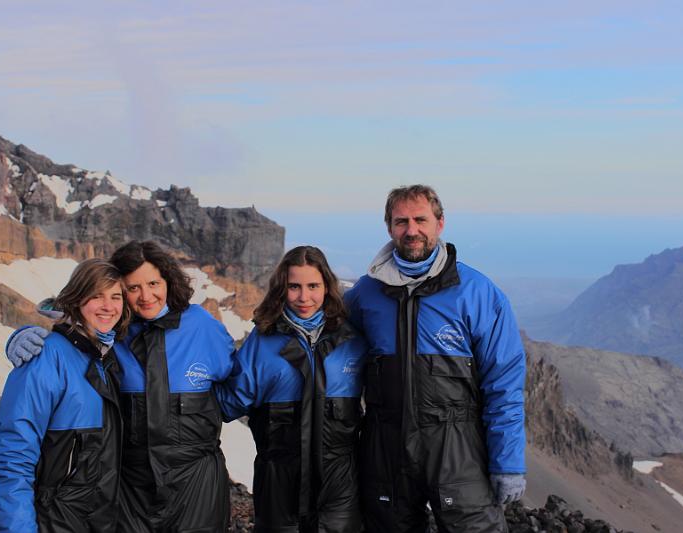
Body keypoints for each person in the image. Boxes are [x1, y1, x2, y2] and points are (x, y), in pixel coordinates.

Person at [5, 240, 236, 532]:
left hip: (197, 489)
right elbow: (72, 324)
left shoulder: (203, 327)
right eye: (133, 288)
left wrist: (200, 417)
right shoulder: (115, 330)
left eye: (154, 283)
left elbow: (236, 388)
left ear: (169, 280)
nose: (146, 296)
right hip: (131, 493)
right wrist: (23, 336)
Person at [344, 185, 526, 532]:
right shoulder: (366, 295)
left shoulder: (477, 293)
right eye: (401, 222)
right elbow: (337, 361)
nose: (411, 230)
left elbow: (504, 384)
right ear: (389, 228)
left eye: (420, 220)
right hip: (385, 445)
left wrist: (509, 462)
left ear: (440, 224)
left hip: (458, 447)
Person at [216, 246, 368, 532]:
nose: (304, 297)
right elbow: (228, 404)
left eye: (313, 286)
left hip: (339, 490)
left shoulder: (352, 340)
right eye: (294, 287)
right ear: (281, 288)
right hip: (278, 487)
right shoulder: (262, 342)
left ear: (327, 287)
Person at [0, 258, 130, 532]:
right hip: (56, 521)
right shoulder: (45, 357)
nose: (108, 306)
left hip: (99, 520)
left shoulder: (105, 357)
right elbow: (12, 456)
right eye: (96, 296)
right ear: (77, 299)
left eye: (116, 297)